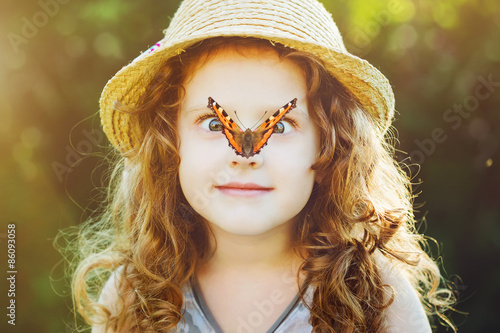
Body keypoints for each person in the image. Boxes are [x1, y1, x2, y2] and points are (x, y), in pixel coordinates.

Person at [65, 0, 456, 332]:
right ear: (169, 146)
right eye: (216, 124)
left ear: (330, 148)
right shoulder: (132, 295)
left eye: (281, 125)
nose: (245, 155)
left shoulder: (376, 295)